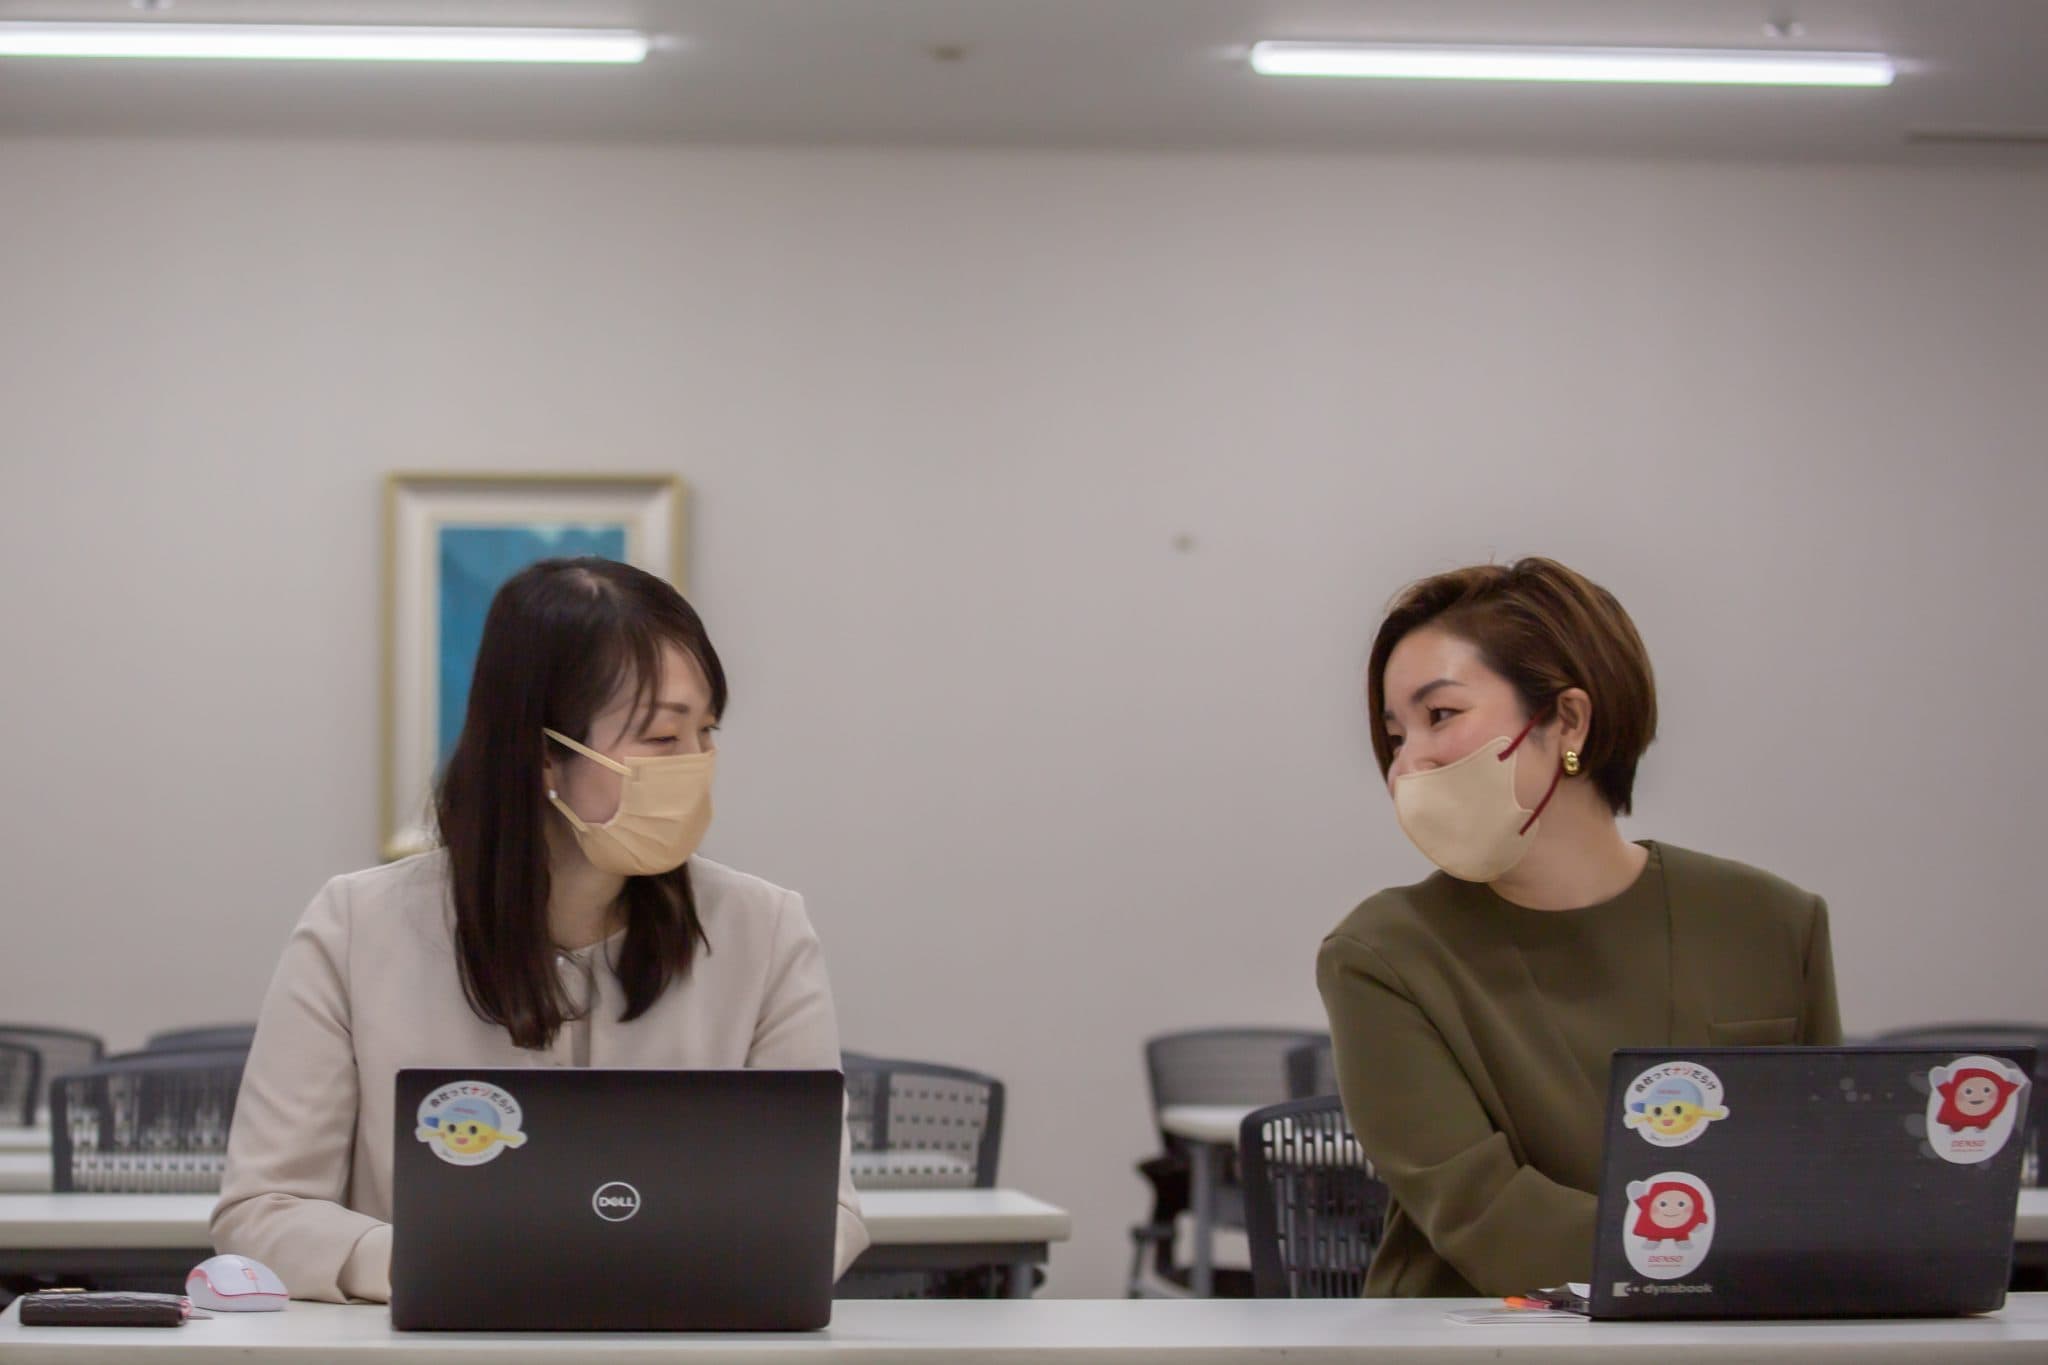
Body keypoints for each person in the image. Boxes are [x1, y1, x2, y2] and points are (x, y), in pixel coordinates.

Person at [213, 557, 867, 1301]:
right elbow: (262, 1209)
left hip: (684, 1343)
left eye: (707, 732)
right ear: (541, 755)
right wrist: (430, 1262)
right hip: (437, 1344)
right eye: (662, 737)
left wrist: (683, 1263)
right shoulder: (356, 927)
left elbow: (826, 1210)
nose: (695, 766)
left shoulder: (764, 929)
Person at [1318, 557, 1838, 1297]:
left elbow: (1822, 1178)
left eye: (1441, 716)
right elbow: (1486, 1216)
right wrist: (1730, 1256)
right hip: (1476, 1338)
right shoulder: (1381, 953)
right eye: (1395, 735)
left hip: (1737, 1334)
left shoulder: (1773, 922)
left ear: (1568, 720)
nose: (1408, 764)